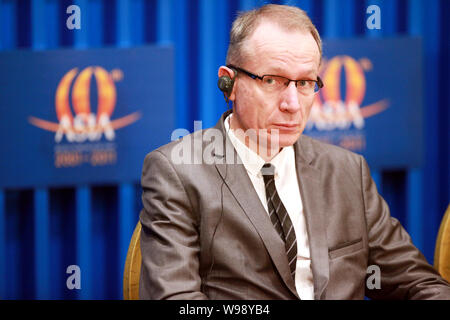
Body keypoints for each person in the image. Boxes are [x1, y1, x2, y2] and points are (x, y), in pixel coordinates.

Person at [139, 4, 450, 299]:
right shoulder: (177, 171)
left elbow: (415, 282)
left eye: (304, 83)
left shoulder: (347, 170)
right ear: (229, 82)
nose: (292, 104)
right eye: (272, 80)